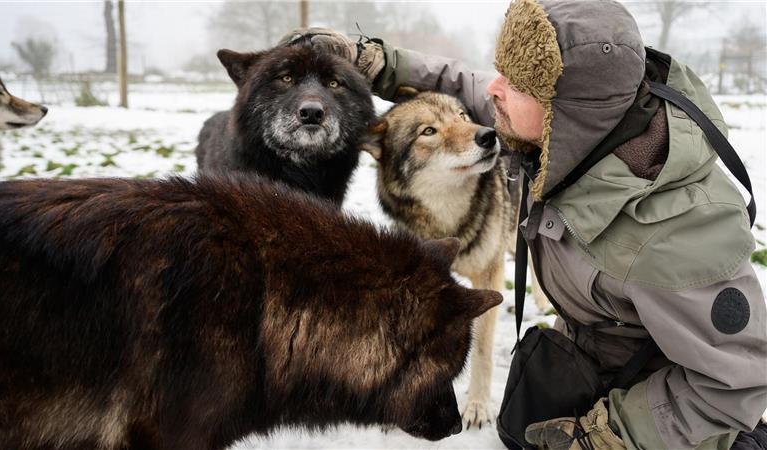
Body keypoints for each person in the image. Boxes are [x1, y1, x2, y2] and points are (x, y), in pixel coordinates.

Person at [279, 0, 767, 449]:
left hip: (666, 422)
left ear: (567, 112)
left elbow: (737, 381)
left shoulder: (675, 231)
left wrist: (606, 438)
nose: (493, 89)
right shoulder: (574, 132)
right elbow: (468, 87)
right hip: (593, 356)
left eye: (516, 84)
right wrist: (384, 65)